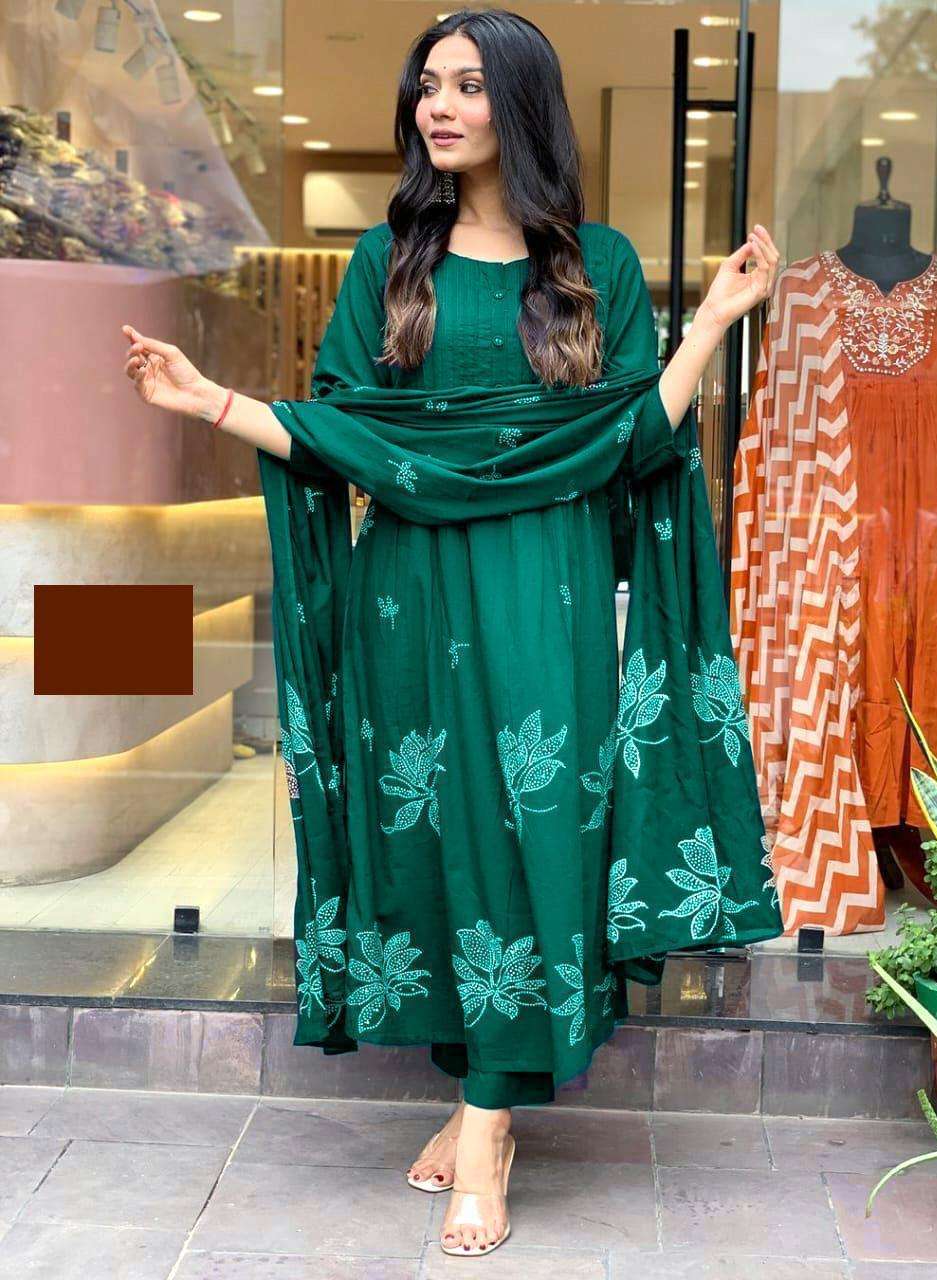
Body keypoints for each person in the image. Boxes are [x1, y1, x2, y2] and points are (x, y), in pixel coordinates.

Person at [121, 8, 779, 1258]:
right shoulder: (388, 263)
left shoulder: (592, 265)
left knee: (532, 836)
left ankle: (485, 1129)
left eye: (469, 85)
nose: (440, 105)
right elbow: (342, 435)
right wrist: (204, 400)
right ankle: (483, 1096)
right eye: (429, 84)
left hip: (545, 592)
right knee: (432, 843)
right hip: (409, 596)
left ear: (518, 102)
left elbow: (633, 438)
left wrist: (711, 322)